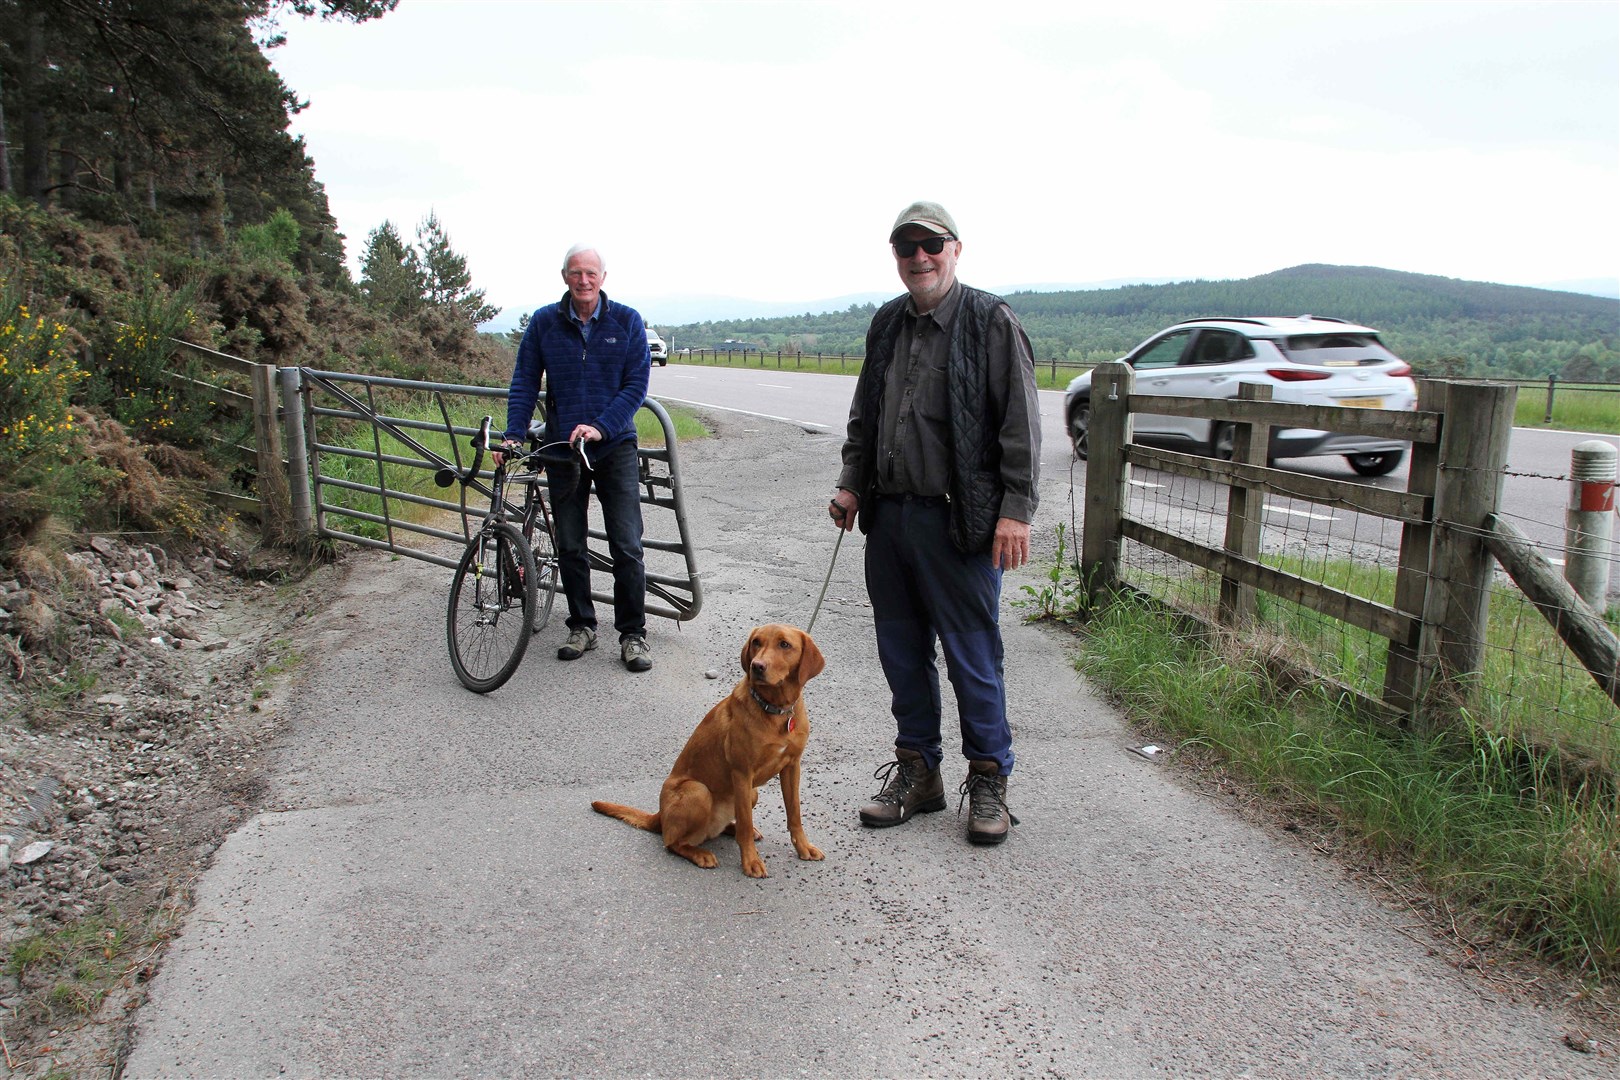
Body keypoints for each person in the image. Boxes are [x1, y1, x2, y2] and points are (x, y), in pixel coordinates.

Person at [829, 201, 1041, 845]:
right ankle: (919, 773)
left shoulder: (990, 321)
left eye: (931, 244)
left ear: (955, 249)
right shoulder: (887, 323)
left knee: (972, 658)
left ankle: (989, 783)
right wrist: (850, 482)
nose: (919, 257)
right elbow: (867, 413)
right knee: (901, 653)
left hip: (961, 525)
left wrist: (1014, 512)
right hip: (890, 520)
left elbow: (1021, 426)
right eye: (905, 246)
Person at [502, 243, 653, 673]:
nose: (583, 280)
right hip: (563, 449)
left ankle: (632, 635)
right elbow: (525, 380)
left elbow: (636, 385)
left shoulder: (626, 321)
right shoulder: (544, 323)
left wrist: (601, 426)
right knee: (569, 544)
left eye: (590, 273)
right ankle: (582, 625)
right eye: (575, 273)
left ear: (603, 277)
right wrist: (514, 435)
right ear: (564, 277)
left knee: (626, 543)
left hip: (614, 445)